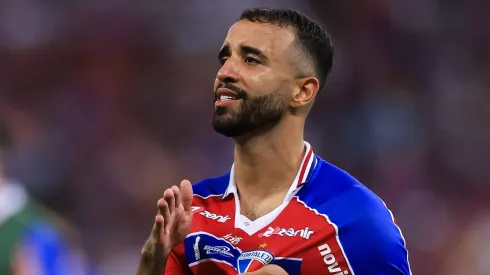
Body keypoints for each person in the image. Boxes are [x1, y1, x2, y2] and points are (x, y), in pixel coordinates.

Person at [136, 8, 412, 275]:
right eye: (225, 59)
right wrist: (152, 261)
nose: (225, 73)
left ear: (303, 91)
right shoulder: (192, 210)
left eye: (251, 60)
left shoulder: (358, 223)